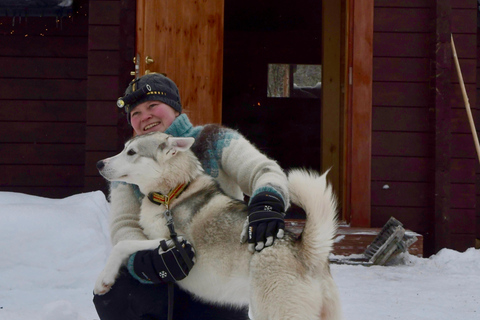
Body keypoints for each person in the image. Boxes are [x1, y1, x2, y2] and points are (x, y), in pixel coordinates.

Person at [93, 73, 290, 320]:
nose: (145, 116)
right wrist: (141, 261)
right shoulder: (129, 165)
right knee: (116, 293)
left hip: (220, 273)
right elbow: (125, 224)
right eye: (135, 113)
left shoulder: (212, 139)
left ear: (174, 108)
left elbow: (262, 171)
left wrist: (268, 200)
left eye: (152, 105)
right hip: (162, 279)